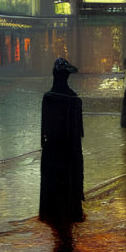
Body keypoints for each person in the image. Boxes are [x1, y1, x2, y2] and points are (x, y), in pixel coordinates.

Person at [39, 57, 85, 226]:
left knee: (52, 184)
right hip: (70, 150)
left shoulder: (48, 97)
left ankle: (51, 214)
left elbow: (43, 131)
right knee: (69, 183)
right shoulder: (74, 99)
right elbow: (79, 132)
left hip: (51, 149)